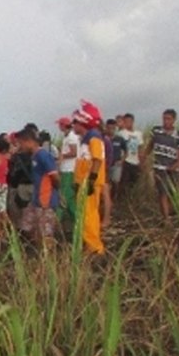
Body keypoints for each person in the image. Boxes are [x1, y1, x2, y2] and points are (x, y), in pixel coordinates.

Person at [71, 105, 106, 255]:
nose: (73, 125)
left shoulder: (93, 138)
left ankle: (94, 247)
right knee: (85, 214)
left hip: (89, 183)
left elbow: (97, 159)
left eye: (75, 122)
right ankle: (89, 244)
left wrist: (91, 180)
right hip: (84, 182)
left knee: (88, 215)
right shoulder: (86, 138)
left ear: (82, 123)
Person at [142, 108, 179, 221]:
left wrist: (177, 164)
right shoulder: (156, 131)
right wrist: (144, 156)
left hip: (173, 167)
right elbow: (150, 145)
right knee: (162, 192)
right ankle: (166, 218)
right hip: (159, 166)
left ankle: (173, 213)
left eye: (168, 119)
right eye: (164, 119)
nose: (166, 121)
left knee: (174, 192)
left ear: (174, 120)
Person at [16, 129, 60, 246]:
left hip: (45, 200)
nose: (20, 146)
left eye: (21, 143)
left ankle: (49, 257)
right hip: (37, 199)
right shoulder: (35, 156)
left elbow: (55, 176)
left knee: (46, 232)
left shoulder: (43, 155)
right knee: (27, 226)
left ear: (29, 141)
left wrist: (54, 193)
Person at [56, 117, 80, 233]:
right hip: (66, 169)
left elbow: (74, 152)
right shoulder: (67, 137)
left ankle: (57, 220)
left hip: (69, 169)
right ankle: (76, 220)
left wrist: (63, 156)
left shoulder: (72, 137)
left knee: (64, 196)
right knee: (69, 198)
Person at [117, 113, 144, 198]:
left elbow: (140, 148)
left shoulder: (138, 134)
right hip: (126, 160)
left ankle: (131, 199)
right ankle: (121, 199)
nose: (128, 123)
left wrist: (141, 162)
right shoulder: (121, 133)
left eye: (129, 121)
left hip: (135, 160)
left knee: (134, 182)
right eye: (126, 121)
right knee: (124, 181)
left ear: (132, 122)